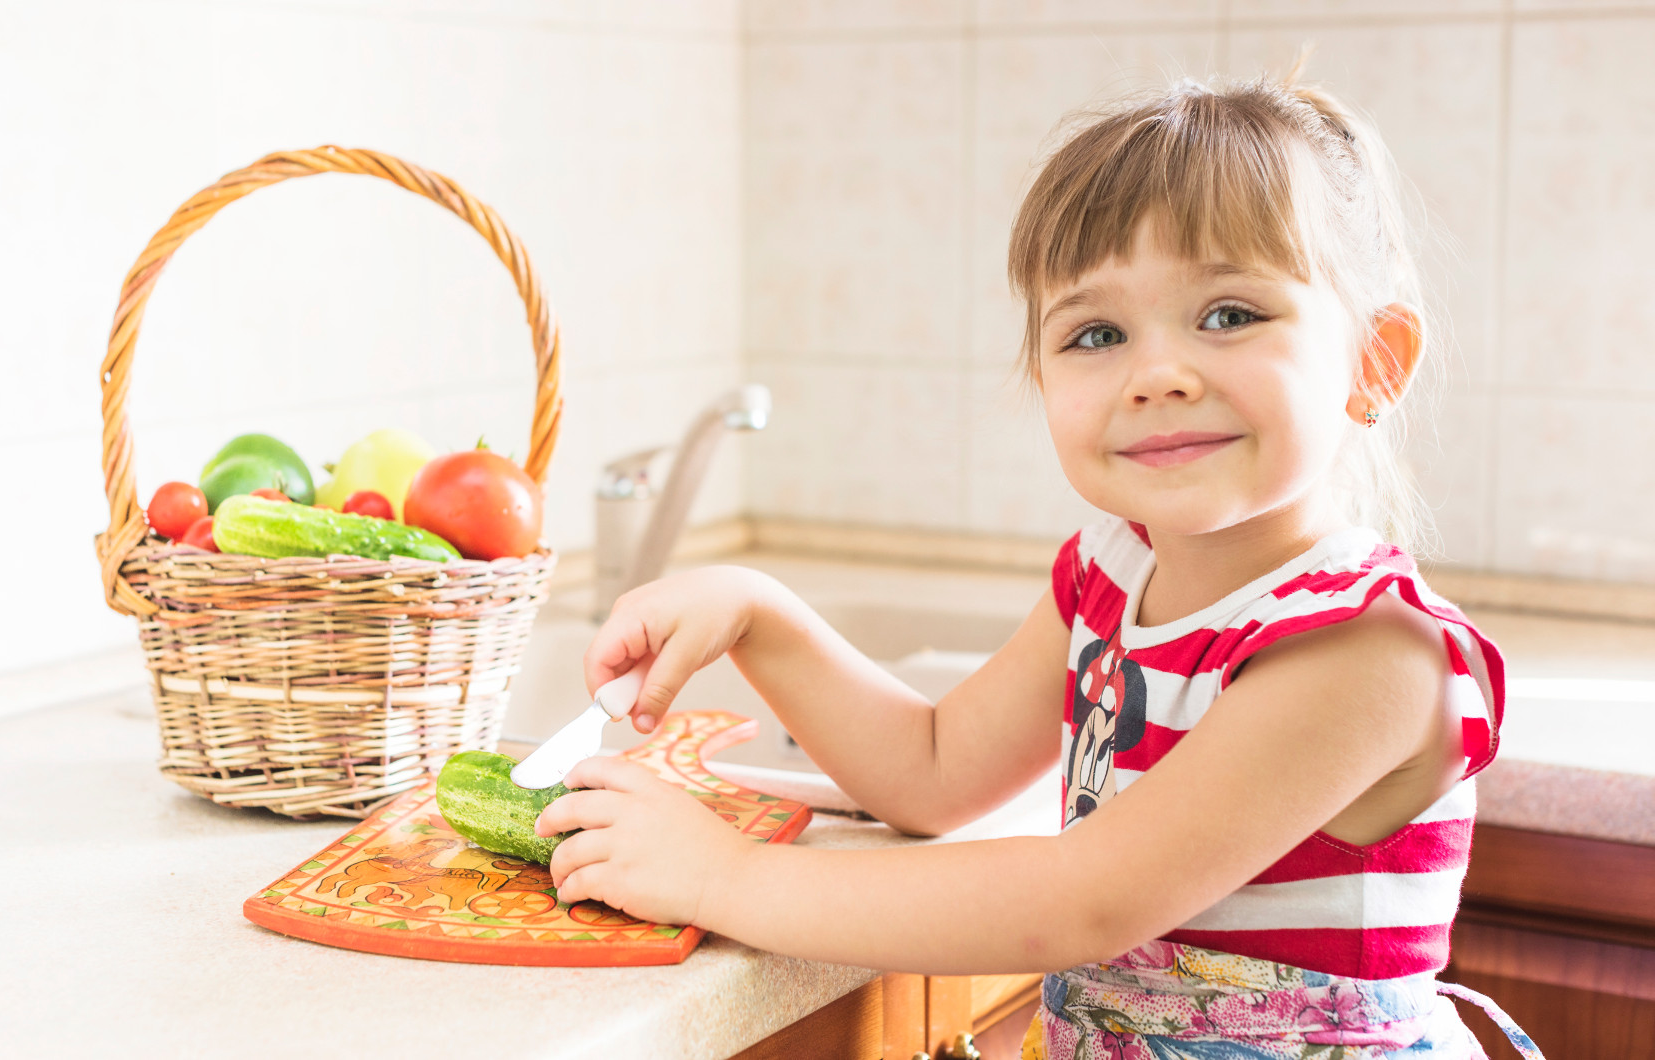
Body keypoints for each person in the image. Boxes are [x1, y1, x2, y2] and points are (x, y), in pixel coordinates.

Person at [536, 63, 1543, 1059]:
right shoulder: (1107, 578)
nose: (1156, 374)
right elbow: (930, 772)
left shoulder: (1364, 650)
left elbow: (1087, 899)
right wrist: (761, 614)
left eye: (1230, 313)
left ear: (1375, 362)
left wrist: (725, 879)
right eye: (1097, 332)